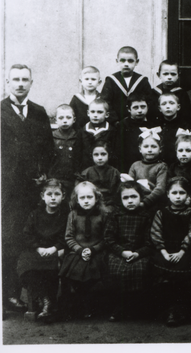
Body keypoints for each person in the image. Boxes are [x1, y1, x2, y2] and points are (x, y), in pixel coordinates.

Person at [1, 64, 54, 313]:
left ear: (31, 82)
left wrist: (43, 173)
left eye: (25, 79)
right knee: (9, 241)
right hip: (8, 191)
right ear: (7, 82)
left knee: (33, 239)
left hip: (33, 190)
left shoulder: (39, 112)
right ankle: (8, 296)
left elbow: (48, 149)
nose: (20, 84)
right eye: (15, 79)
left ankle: (37, 297)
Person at [151, 177, 191, 326]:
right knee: (164, 274)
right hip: (165, 250)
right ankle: (170, 309)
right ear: (168, 194)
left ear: (187, 195)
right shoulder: (161, 213)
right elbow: (155, 232)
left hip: (185, 251)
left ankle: (181, 310)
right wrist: (164, 252)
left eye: (182, 192)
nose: (178, 196)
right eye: (174, 192)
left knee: (184, 274)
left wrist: (182, 251)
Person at [17, 178, 68, 322]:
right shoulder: (35, 214)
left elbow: (66, 236)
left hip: (55, 251)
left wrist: (54, 248)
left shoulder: (65, 216)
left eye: (57, 194)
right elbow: (27, 234)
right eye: (49, 194)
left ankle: (48, 304)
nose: (53, 198)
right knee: (26, 265)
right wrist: (38, 248)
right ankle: (44, 300)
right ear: (42, 196)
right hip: (37, 250)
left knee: (52, 267)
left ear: (63, 196)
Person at [59, 181, 112, 319]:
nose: (86, 201)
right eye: (82, 198)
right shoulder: (73, 215)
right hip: (77, 252)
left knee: (95, 272)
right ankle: (80, 306)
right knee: (76, 271)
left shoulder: (103, 214)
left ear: (97, 198)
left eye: (90, 197)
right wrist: (80, 250)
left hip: (98, 252)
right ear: (76, 199)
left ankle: (94, 306)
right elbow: (69, 237)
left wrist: (93, 250)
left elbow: (107, 238)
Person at [106, 181, 153, 322]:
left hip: (140, 252)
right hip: (120, 253)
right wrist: (122, 252)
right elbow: (109, 239)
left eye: (134, 196)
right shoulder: (115, 215)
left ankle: (136, 307)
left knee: (140, 269)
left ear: (141, 197)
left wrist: (138, 253)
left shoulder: (146, 216)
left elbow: (150, 242)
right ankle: (120, 306)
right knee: (117, 269)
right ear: (120, 200)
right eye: (125, 198)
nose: (130, 201)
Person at [100, 46, 153, 124]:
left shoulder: (142, 81)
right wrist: (115, 120)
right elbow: (105, 102)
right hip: (116, 123)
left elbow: (149, 102)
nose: (126, 64)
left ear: (137, 62)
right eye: (122, 60)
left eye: (130, 61)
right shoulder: (111, 80)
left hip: (139, 121)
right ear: (117, 61)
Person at [127, 128, 169, 211]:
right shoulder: (135, 165)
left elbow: (160, 189)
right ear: (140, 149)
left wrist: (145, 202)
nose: (149, 150)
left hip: (153, 202)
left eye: (153, 146)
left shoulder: (161, 166)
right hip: (136, 200)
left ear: (160, 149)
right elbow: (129, 185)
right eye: (146, 146)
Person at [115, 92, 154, 172]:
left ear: (148, 107)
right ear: (129, 109)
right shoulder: (122, 125)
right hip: (129, 166)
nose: (140, 110)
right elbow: (119, 152)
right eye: (136, 107)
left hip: (151, 166)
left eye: (143, 107)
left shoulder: (153, 124)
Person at [48, 104, 82, 196]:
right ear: (55, 120)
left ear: (74, 119)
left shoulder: (78, 137)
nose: (65, 121)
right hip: (54, 177)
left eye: (68, 117)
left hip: (73, 178)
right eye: (61, 118)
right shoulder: (51, 137)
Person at [79, 140, 121, 210]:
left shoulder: (114, 172)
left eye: (103, 154)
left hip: (109, 204)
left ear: (109, 154)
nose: (100, 158)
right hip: (91, 203)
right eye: (96, 155)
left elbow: (118, 191)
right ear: (91, 155)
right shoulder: (87, 172)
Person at [78, 98, 117, 169]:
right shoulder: (82, 131)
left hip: (106, 169)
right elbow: (78, 153)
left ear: (107, 114)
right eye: (92, 112)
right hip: (87, 169)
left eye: (99, 112)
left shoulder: (112, 131)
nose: (95, 115)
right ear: (88, 113)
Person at [155, 93, 191, 166]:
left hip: (179, 164)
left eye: (171, 103)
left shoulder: (185, 125)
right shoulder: (156, 126)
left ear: (178, 107)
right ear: (159, 108)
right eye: (164, 104)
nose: (168, 106)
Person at [167, 133, 191, 206]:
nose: (184, 154)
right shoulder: (173, 167)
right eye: (180, 150)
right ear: (176, 152)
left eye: (188, 150)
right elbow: (168, 184)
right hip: (175, 198)